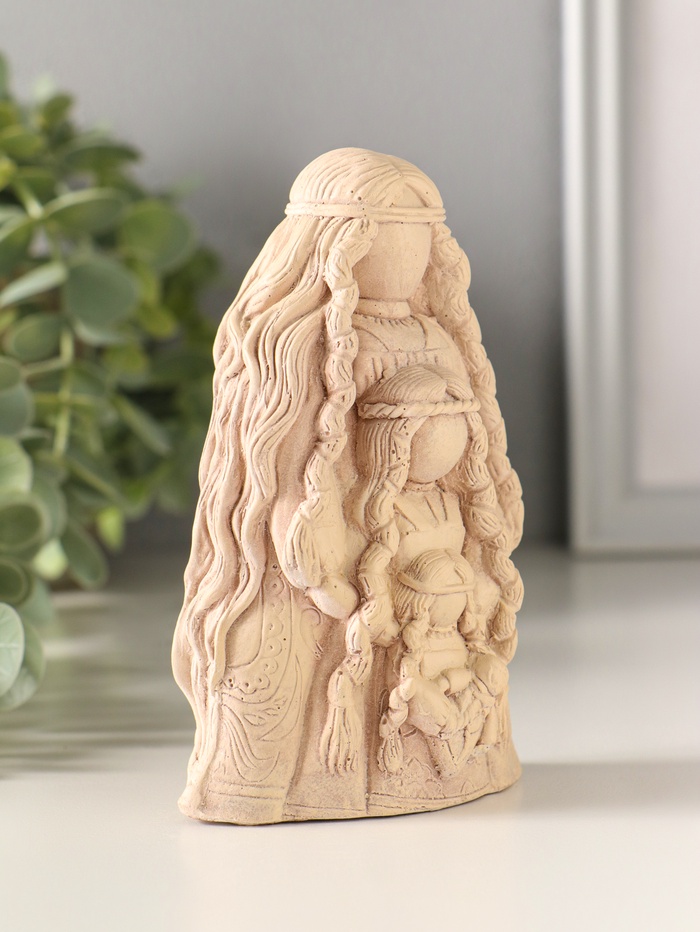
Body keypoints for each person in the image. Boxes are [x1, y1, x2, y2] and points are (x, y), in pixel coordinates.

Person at [172, 148, 523, 823]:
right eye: (388, 236)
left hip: (429, 527)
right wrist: (320, 564)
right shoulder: (306, 343)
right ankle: (263, 785)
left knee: (452, 657)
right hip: (333, 532)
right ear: (336, 245)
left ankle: (448, 760)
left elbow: (473, 440)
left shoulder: (436, 334)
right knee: (271, 647)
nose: (407, 256)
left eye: (419, 237)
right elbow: (286, 470)